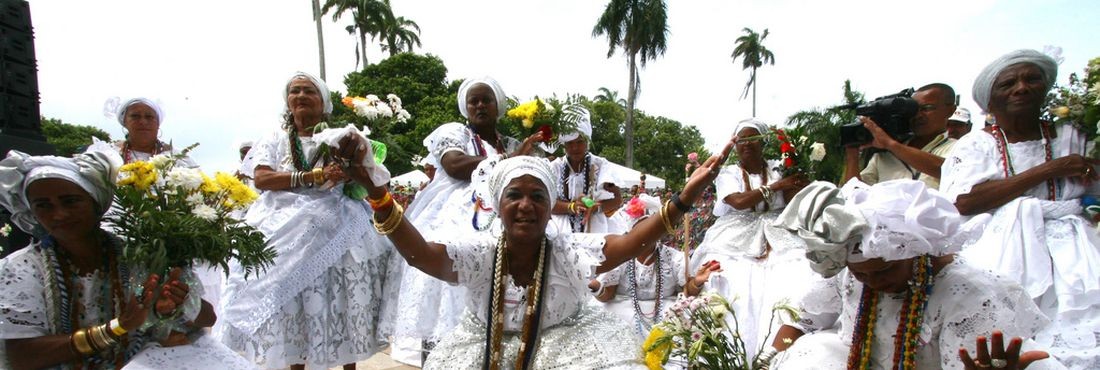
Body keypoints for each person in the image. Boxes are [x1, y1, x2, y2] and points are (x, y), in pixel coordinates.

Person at [337, 130, 734, 368]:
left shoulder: (568, 250)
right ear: (497, 204)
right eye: (514, 195)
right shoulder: (478, 254)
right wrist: (377, 193)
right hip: (480, 352)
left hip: (567, 349)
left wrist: (683, 199)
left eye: (537, 197)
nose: (525, 205)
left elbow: (630, 243)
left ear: (550, 207)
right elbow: (420, 254)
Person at [764, 180, 1064, 370]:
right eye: (861, 274)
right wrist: (765, 364)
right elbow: (800, 322)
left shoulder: (969, 292)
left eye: (884, 270)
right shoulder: (852, 273)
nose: (873, 283)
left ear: (917, 252)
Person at [0, 148, 252, 369]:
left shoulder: (137, 255)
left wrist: (177, 304)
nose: (59, 214)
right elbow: (23, 357)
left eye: (71, 201)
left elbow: (207, 319)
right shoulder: (20, 269)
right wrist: (118, 327)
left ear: (96, 203)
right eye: (44, 205)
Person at [216, 72, 392, 370]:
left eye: (308, 91)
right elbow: (262, 178)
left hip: (339, 224)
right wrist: (313, 176)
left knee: (343, 301)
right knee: (291, 309)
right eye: (294, 91)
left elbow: (363, 172)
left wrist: (347, 170)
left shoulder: (340, 136)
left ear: (324, 103)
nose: (299, 96)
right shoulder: (274, 138)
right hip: (280, 224)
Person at [941, 49, 1100, 368]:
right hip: (1003, 247)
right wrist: (1047, 169)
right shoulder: (976, 144)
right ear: (990, 101)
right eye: (1008, 83)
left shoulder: (1074, 134)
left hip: (1079, 248)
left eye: (1032, 79)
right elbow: (964, 201)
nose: (1022, 88)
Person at [386, 76, 544, 366]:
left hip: (500, 220)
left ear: (498, 106)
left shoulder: (508, 142)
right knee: (441, 300)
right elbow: (454, 166)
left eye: (487, 100)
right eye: (474, 101)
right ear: (466, 107)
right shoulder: (456, 132)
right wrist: (508, 159)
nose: (480, 105)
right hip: (453, 219)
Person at [687, 118, 814, 355]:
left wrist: (794, 176)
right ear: (735, 145)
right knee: (734, 283)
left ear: (763, 142)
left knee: (792, 273)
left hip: (778, 230)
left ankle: (778, 352)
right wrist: (776, 187)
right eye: (741, 139)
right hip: (734, 233)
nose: (746, 144)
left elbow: (794, 198)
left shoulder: (779, 167)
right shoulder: (729, 173)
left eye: (752, 139)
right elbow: (737, 201)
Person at [590, 193, 721, 338]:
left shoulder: (674, 258)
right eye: (641, 232)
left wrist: (696, 282)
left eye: (651, 231)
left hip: (665, 316)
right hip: (625, 316)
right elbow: (608, 295)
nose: (646, 236)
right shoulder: (621, 258)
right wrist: (596, 287)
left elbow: (686, 293)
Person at [842, 83, 958, 189]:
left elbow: (946, 169)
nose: (918, 115)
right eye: (914, 110)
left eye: (927, 108)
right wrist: (852, 155)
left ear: (951, 110)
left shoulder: (959, 148)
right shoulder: (884, 156)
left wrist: (891, 145)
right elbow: (854, 193)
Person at [549, 106, 623, 234]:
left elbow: (617, 200)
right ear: (564, 145)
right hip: (560, 232)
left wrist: (596, 207)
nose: (575, 148)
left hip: (596, 231)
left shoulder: (601, 166)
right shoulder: (555, 167)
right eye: (570, 143)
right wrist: (571, 206)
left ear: (587, 141)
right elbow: (546, 204)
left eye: (579, 142)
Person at [107, 97, 197, 168]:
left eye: (149, 116)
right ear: (124, 121)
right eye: (135, 116)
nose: (143, 121)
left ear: (158, 123)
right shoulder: (109, 156)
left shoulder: (180, 160)